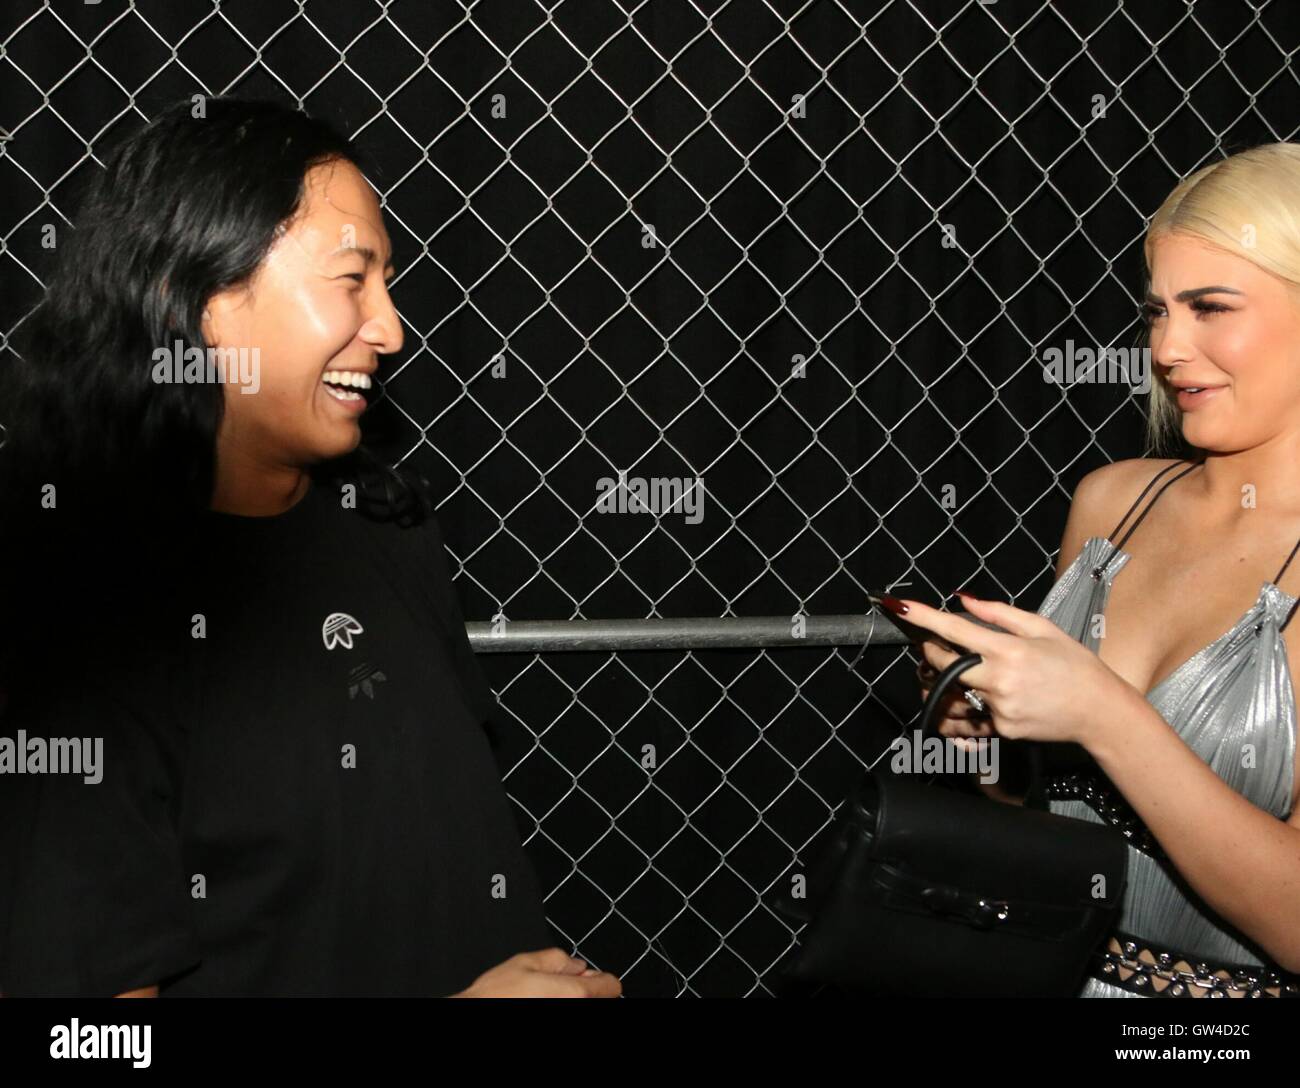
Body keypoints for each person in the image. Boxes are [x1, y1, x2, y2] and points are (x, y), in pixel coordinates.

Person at [0, 96, 621, 998]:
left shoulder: (382, 518)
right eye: (351, 279)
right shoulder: (80, 613)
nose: (393, 330)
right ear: (203, 301)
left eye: (389, 281)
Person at [901, 142, 1300, 997]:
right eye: (1158, 311)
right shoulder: (1111, 506)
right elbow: (1047, 825)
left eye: (1211, 307)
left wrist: (1102, 714)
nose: (1167, 348)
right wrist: (983, 738)